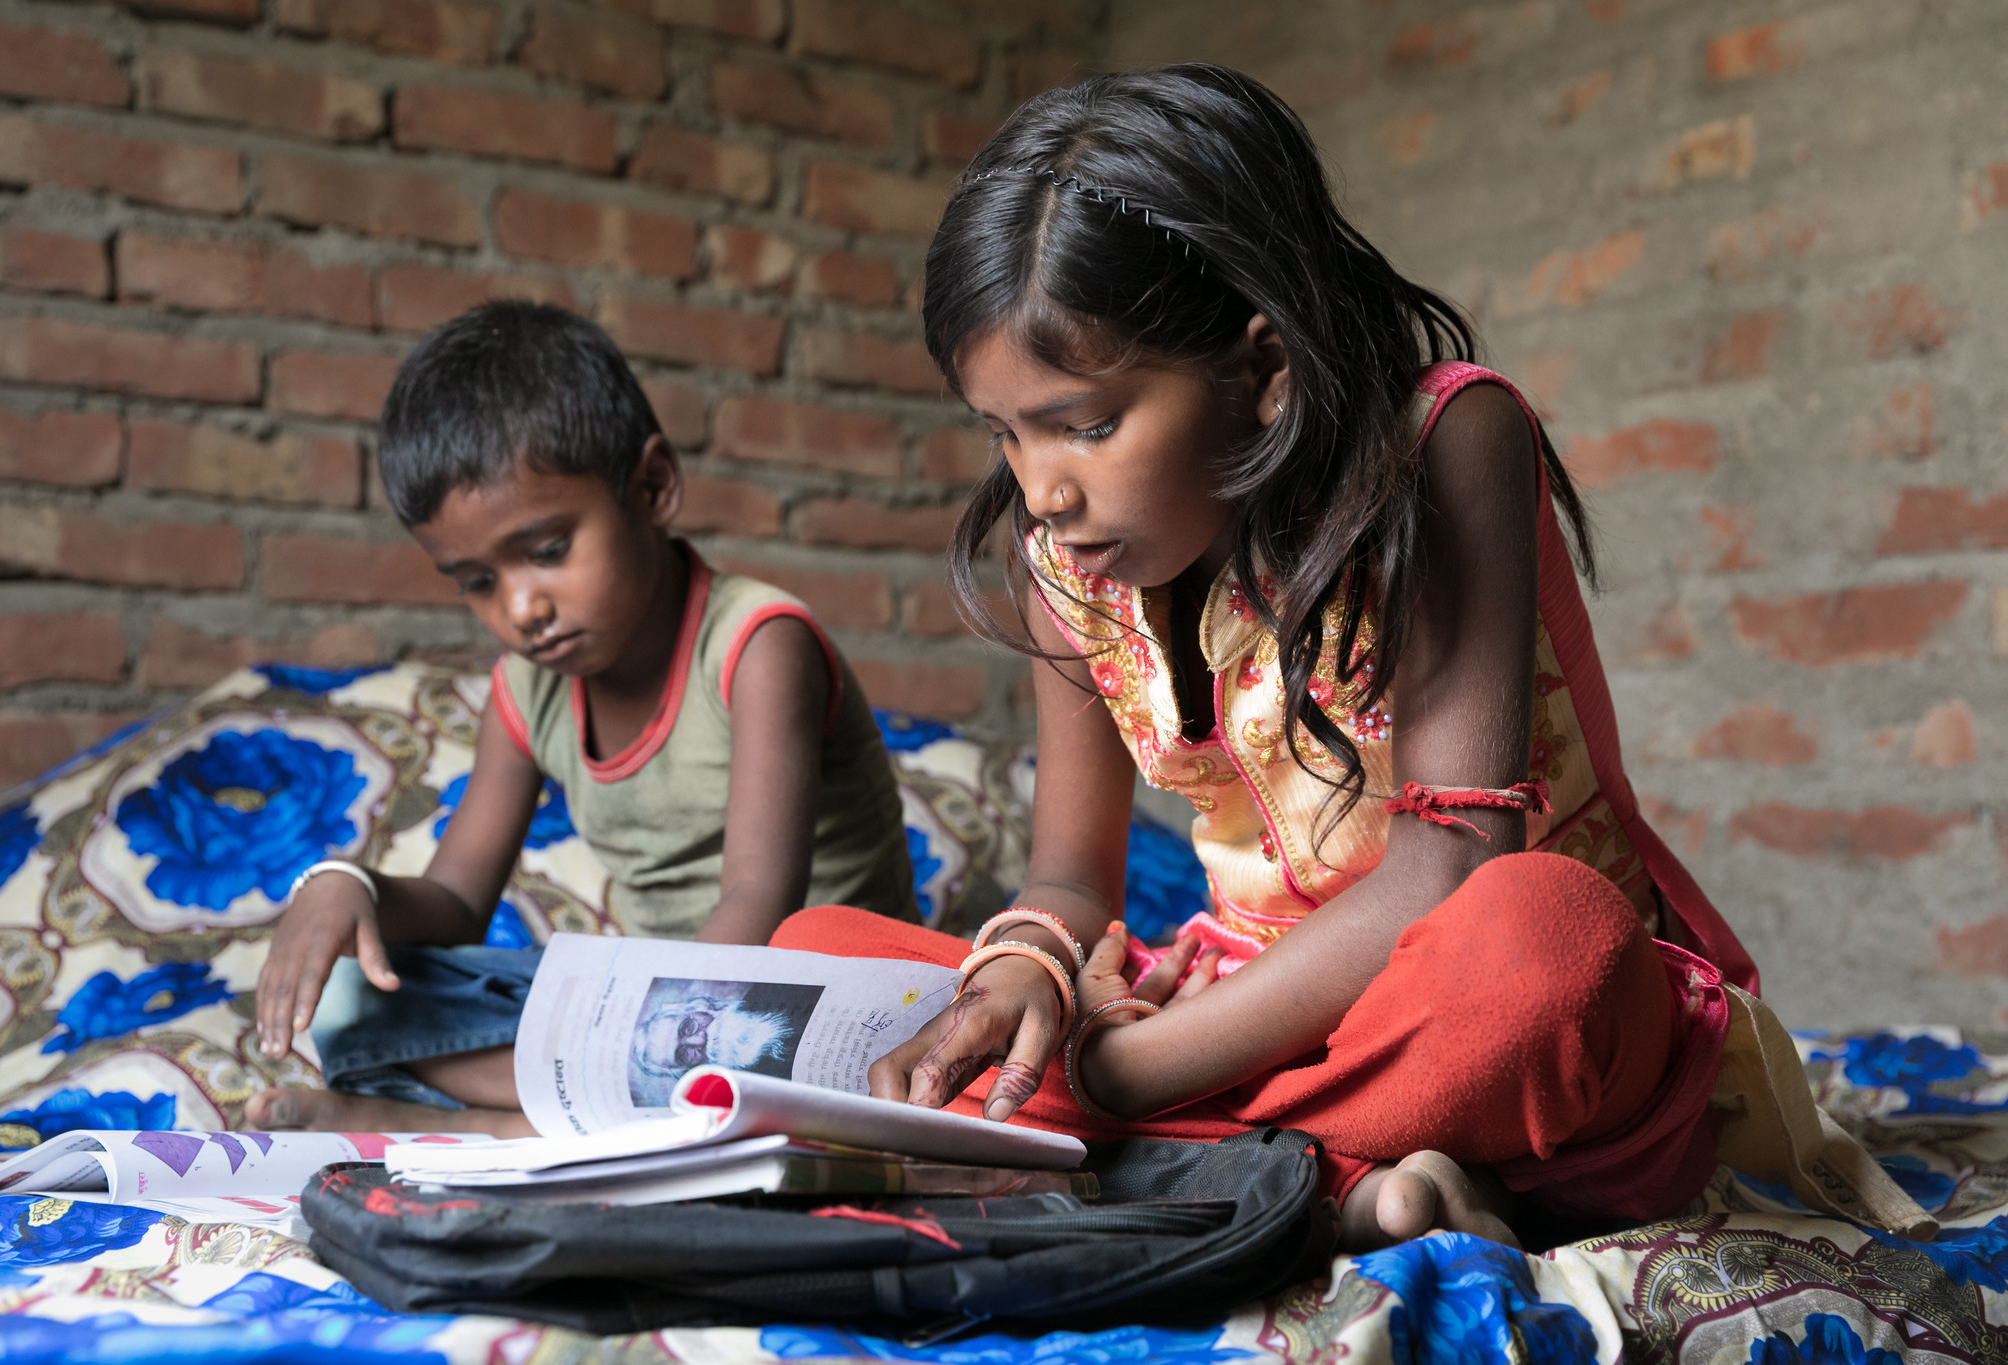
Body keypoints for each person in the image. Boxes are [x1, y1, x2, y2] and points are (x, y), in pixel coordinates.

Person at [769, 64, 1812, 1250]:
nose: (1040, 487)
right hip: (1230, 1003)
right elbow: (1069, 882)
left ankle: (1190, 1164)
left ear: (1262, 373)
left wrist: (1122, 1072)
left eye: (1087, 423)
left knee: (1544, 952)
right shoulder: (1057, 549)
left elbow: (1451, 872)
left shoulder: (1446, 443)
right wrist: (1030, 976)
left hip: (1443, 1003)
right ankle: (1351, 1182)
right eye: (1003, 432)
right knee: (817, 965)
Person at [247, 302, 916, 1135]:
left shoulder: (756, 647)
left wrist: (625, 1037)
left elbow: (760, 898)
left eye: (546, 549)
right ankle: (585, 1104)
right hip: (658, 1014)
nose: (520, 607)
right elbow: (456, 902)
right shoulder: (524, 692)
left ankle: (482, 1121)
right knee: (358, 983)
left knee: (747, 1038)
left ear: (652, 487)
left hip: (801, 1001)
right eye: (475, 581)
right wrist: (347, 887)